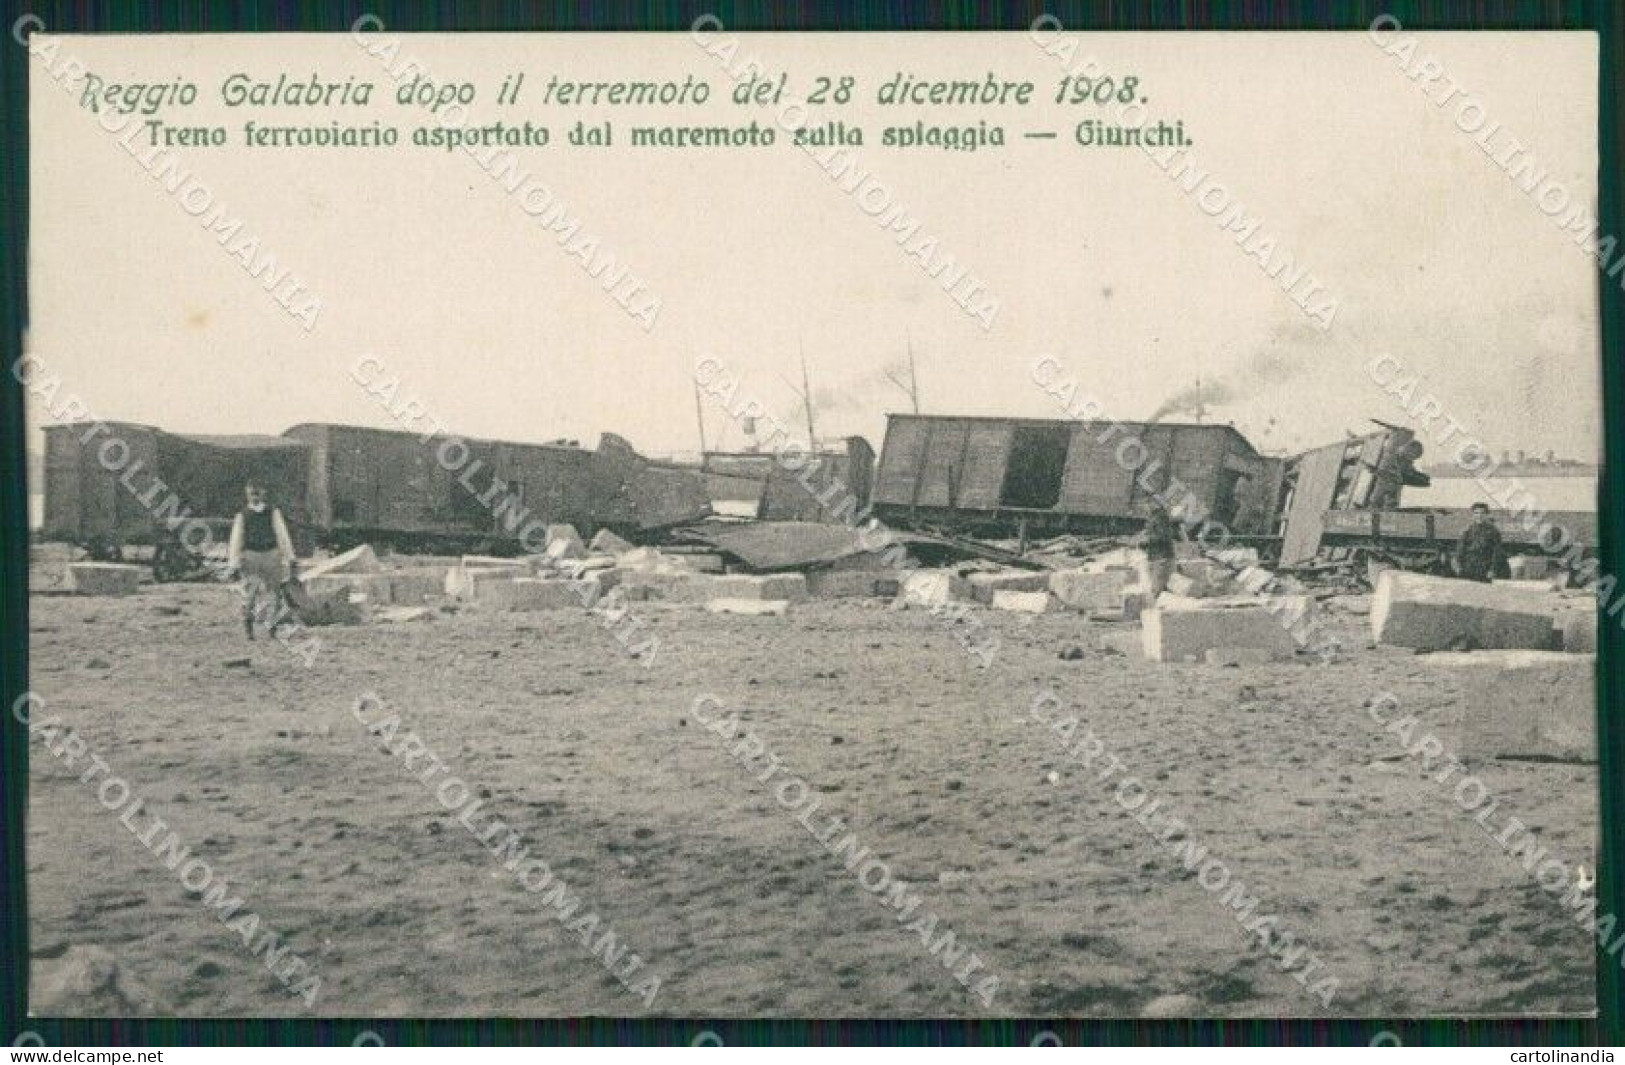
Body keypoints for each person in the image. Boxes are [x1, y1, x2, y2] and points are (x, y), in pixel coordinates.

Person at [227, 481, 297, 639]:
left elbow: (282, 535)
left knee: (275, 594)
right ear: (247, 494)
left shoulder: (273, 512)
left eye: (257, 492)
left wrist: (290, 556)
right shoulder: (242, 515)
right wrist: (233, 563)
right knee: (249, 594)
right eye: (252, 492)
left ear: (264, 493)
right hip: (250, 555)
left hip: (271, 554)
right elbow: (236, 539)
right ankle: (248, 628)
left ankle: (272, 626)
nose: (254, 495)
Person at [1455, 501, 1509, 582]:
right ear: (1473, 515)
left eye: (1482, 513)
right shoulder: (1467, 531)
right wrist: (1458, 567)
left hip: (1485, 570)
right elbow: (1460, 550)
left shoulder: (1493, 531)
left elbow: (1497, 553)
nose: (1479, 516)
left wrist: (1492, 570)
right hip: (1468, 569)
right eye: (1476, 513)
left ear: (1487, 515)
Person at [1137, 499, 1179, 597]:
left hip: (1161, 558)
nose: (1143, 507)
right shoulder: (1154, 517)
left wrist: (1145, 541)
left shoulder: (1160, 517)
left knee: (1157, 589)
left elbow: (1163, 536)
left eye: (1144, 504)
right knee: (1154, 588)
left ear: (1153, 503)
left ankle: (1156, 609)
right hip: (1155, 557)